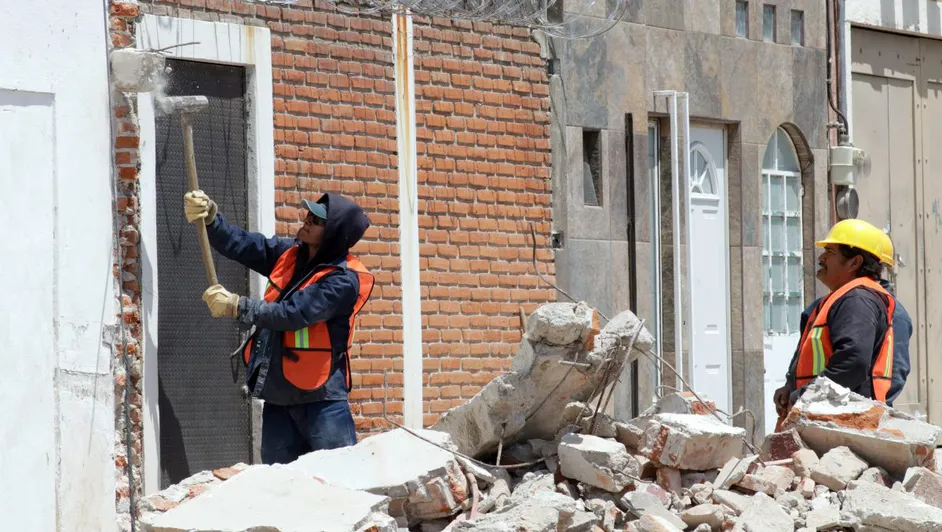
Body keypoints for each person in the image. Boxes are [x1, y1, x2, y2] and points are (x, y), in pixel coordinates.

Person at [184, 190, 374, 464]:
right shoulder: (290, 254)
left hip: (322, 402)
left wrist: (237, 305)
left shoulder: (343, 280)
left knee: (336, 478)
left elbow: (293, 314)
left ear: (334, 233)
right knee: (278, 481)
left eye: (318, 220)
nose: (307, 220)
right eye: (309, 214)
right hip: (279, 397)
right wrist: (212, 221)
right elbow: (244, 245)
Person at [773, 219, 901, 425]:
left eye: (830, 252)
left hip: (844, 421)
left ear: (854, 262)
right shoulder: (841, 298)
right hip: (827, 419)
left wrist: (802, 397)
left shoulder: (858, 299)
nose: (821, 258)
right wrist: (791, 386)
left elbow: (851, 364)